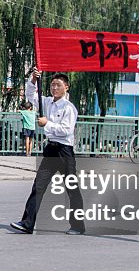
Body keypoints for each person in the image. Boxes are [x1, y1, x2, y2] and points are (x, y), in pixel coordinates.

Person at [10, 68, 86, 235]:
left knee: (71, 189)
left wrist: (47, 124)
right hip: (51, 148)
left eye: (58, 85)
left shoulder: (69, 108)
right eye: (52, 85)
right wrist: (33, 79)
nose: (54, 88)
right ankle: (27, 223)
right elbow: (31, 96)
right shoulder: (47, 102)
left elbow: (67, 130)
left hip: (64, 151)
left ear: (67, 87)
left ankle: (78, 225)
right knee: (39, 186)